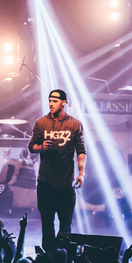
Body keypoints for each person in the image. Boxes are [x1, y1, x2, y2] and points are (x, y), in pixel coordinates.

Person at [28, 89, 86, 253]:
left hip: (66, 185)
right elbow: (31, 147)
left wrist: (81, 172)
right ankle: (48, 258)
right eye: (49, 100)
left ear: (63, 102)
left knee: (65, 226)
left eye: (55, 101)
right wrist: (41, 147)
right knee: (47, 224)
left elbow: (81, 151)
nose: (51, 104)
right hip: (46, 183)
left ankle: (63, 257)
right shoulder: (41, 123)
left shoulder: (75, 124)